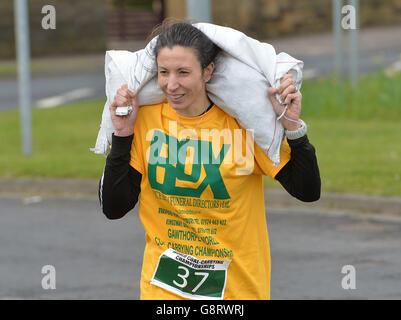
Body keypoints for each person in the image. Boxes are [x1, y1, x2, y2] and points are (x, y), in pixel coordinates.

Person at [99, 20, 320, 300]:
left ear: (207, 71)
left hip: (236, 294)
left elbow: (307, 190)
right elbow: (114, 207)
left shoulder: (243, 127)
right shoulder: (147, 123)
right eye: (164, 72)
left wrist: (292, 127)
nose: (171, 84)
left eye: (183, 72)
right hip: (164, 294)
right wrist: (122, 134)